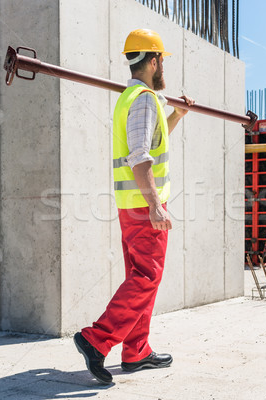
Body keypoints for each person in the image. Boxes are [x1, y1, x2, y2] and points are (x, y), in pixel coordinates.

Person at [73, 28, 194, 384]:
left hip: (132, 205)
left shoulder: (136, 99)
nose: (162, 67)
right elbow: (140, 157)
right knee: (146, 277)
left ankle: (136, 350)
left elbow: (151, 141)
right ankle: (96, 339)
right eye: (161, 61)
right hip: (144, 206)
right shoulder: (143, 99)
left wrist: (177, 116)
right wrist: (156, 205)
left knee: (141, 279)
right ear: (154, 60)